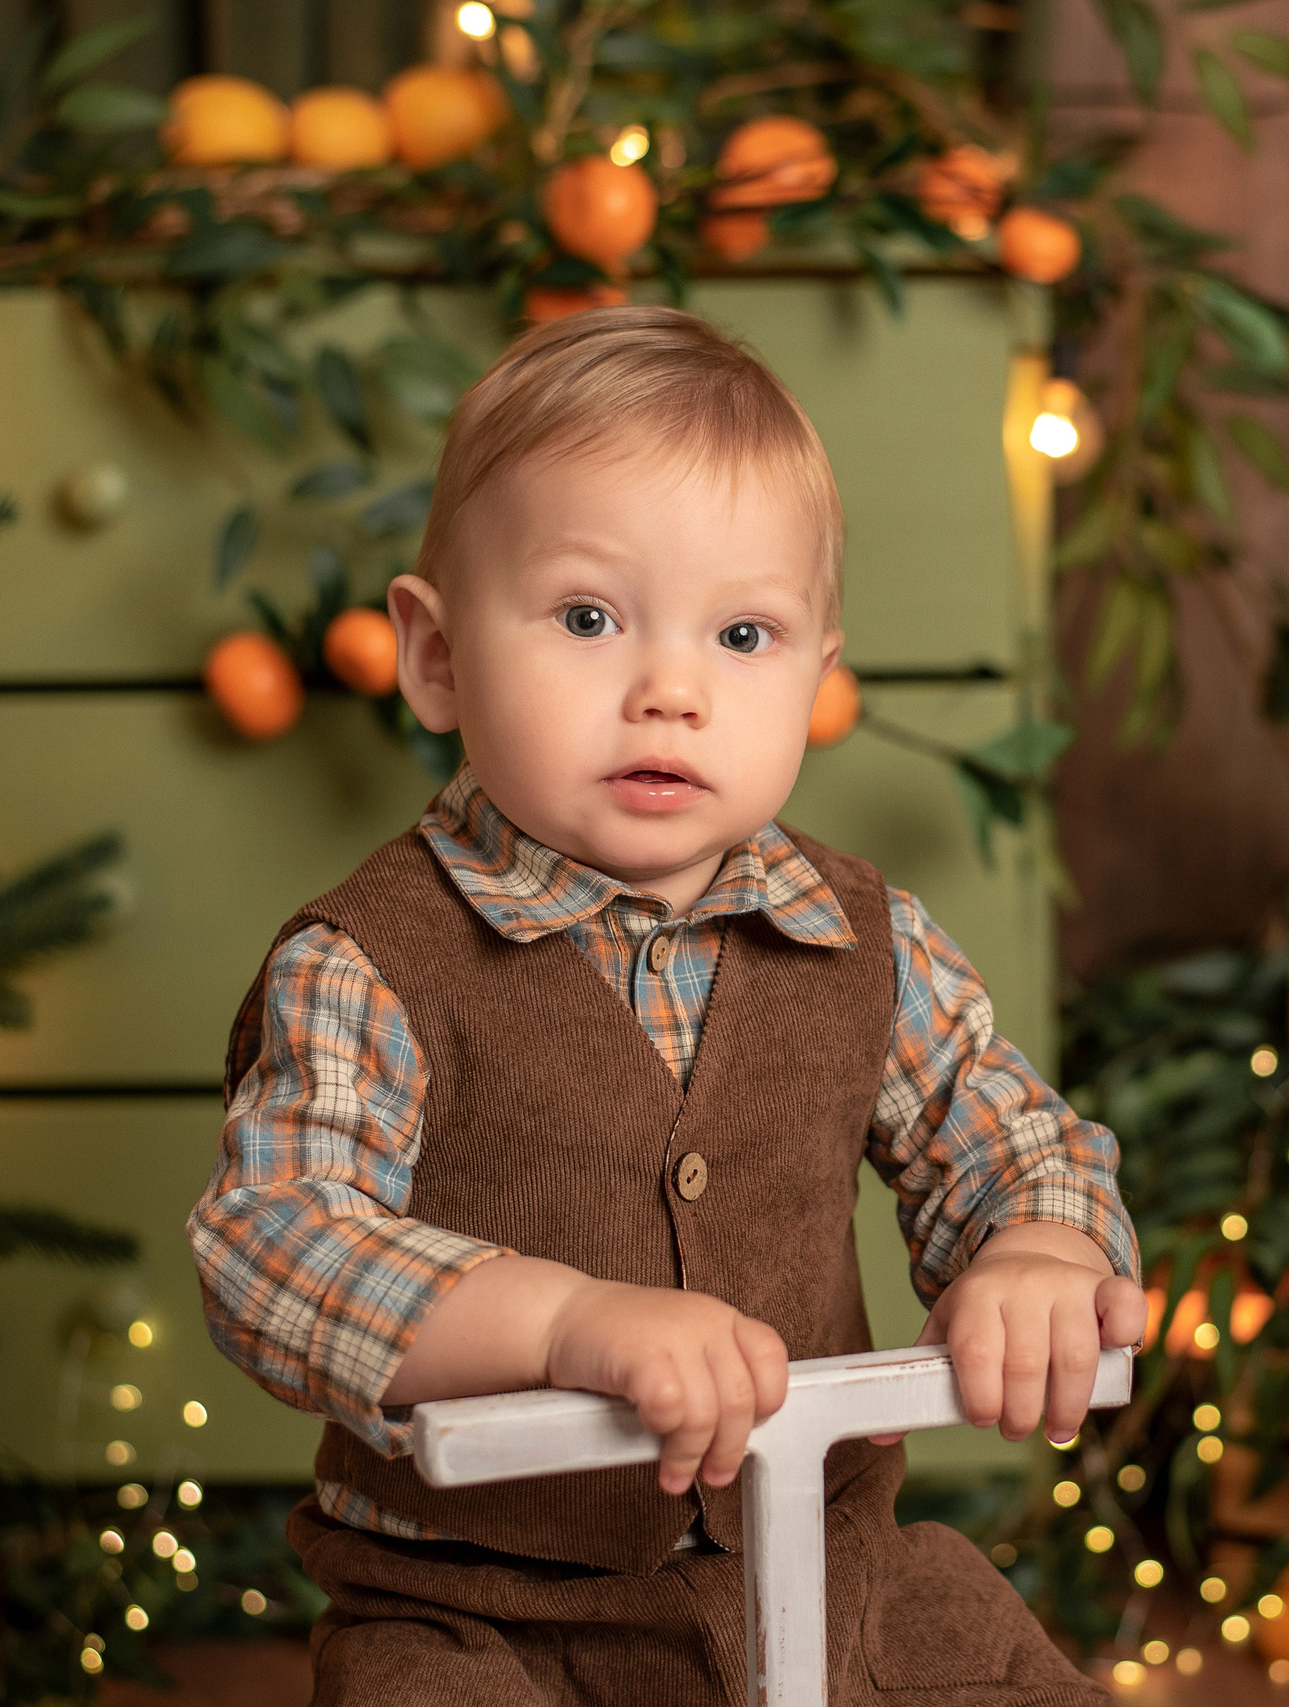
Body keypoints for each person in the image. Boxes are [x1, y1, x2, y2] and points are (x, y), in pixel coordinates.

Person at [188, 304, 1145, 1706]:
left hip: (821, 1576)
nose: (671, 691)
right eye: (588, 618)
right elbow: (272, 1246)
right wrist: (562, 1323)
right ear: (438, 656)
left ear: (817, 685)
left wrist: (1042, 1256)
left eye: (744, 635)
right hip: (481, 1614)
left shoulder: (868, 941)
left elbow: (1002, 1133)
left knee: (996, 1666)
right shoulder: (369, 963)